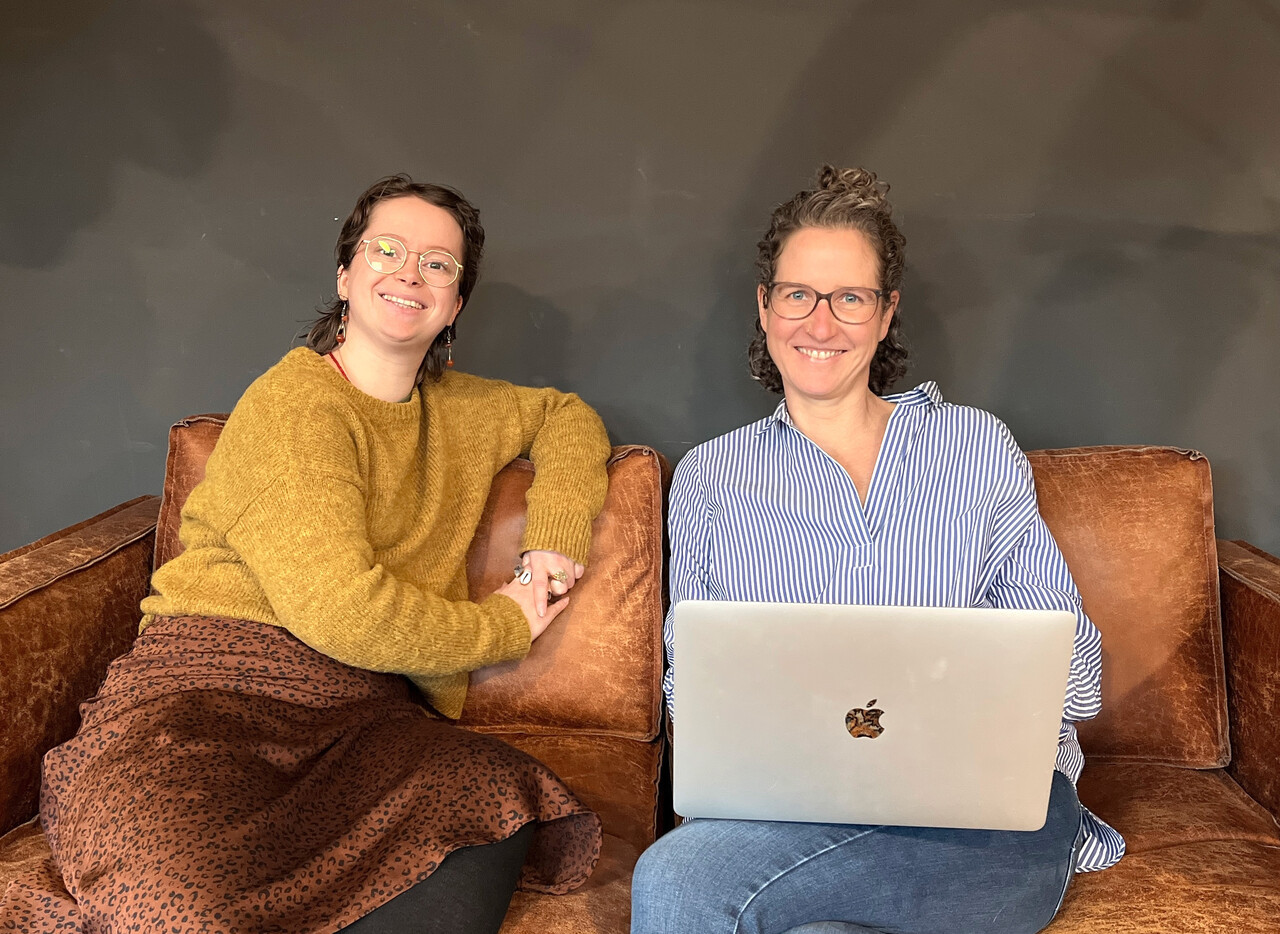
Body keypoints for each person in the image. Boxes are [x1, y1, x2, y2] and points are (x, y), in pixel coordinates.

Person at [15, 175, 612, 934]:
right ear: (345, 276)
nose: (409, 273)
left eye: (438, 264)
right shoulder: (294, 403)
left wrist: (553, 540)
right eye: (386, 250)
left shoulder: (467, 408)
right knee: (181, 908)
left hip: (363, 718)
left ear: (456, 303)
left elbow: (567, 417)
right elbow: (345, 612)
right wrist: (504, 624)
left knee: (494, 793)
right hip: (207, 701)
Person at [630, 166, 1125, 934]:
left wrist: (971, 685)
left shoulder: (977, 448)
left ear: (887, 313)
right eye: (798, 294)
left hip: (989, 824)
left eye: (850, 298)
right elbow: (691, 693)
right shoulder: (710, 478)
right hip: (792, 814)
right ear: (765, 307)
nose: (820, 323)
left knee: (678, 878)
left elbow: (1079, 683)